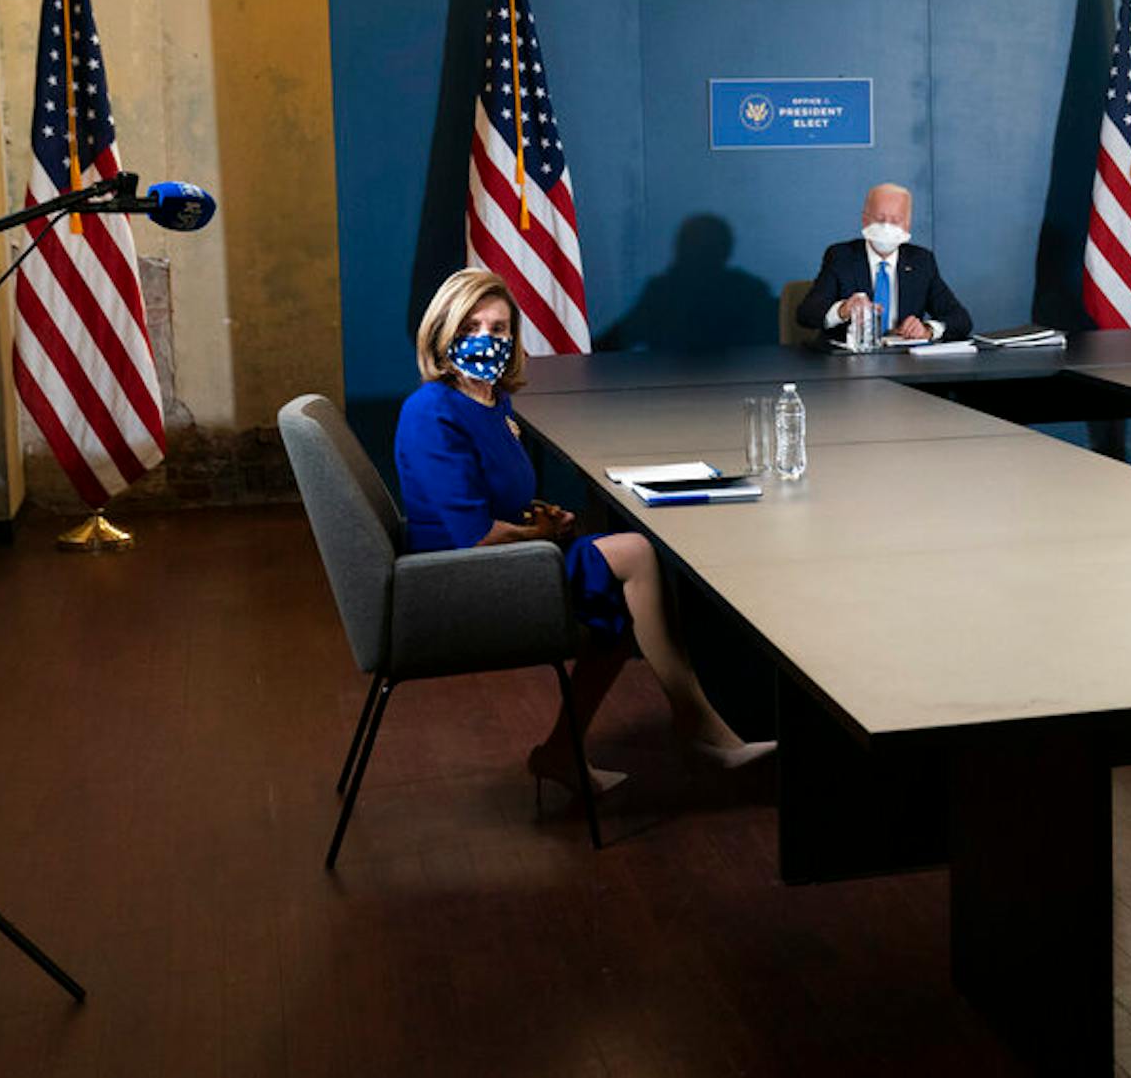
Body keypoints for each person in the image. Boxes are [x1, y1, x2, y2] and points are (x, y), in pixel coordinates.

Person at [395, 268, 772, 799]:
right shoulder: (433, 411)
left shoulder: (494, 404)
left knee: (620, 598)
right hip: (458, 581)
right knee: (636, 554)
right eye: (471, 326)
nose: (487, 338)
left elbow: (499, 501)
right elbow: (473, 537)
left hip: (503, 562)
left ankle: (565, 751)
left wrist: (544, 518)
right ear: (442, 333)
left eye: (499, 329)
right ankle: (700, 728)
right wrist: (546, 535)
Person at [796, 182, 972, 344]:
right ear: (865, 220)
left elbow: (960, 319)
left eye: (896, 221)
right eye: (880, 219)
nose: (887, 227)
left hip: (905, 362)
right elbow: (807, 315)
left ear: (908, 225)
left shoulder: (921, 261)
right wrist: (843, 310)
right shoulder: (842, 257)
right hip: (849, 363)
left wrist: (927, 330)